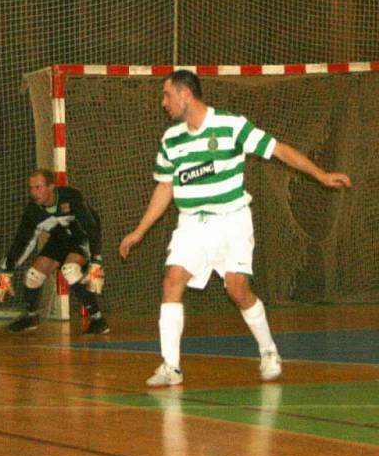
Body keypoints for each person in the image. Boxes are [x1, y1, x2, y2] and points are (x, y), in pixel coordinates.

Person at [118, 69, 352, 386]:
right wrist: (140, 230)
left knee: (237, 290)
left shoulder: (230, 125)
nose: (164, 102)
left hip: (232, 220)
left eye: (167, 95)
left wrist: (321, 175)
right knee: (172, 281)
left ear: (186, 93)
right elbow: (165, 188)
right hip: (191, 225)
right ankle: (170, 366)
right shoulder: (171, 139)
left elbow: (278, 149)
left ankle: (268, 350)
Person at [0, 168, 111, 334]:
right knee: (33, 275)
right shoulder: (33, 211)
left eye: (38, 187)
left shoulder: (71, 197)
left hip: (82, 238)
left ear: (51, 187)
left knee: (70, 270)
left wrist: (96, 259)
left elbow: (91, 227)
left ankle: (98, 319)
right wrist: (7, 270)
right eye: (31, 188)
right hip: (59, 240)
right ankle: (31, 317)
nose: (34, 192)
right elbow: (22, 242)